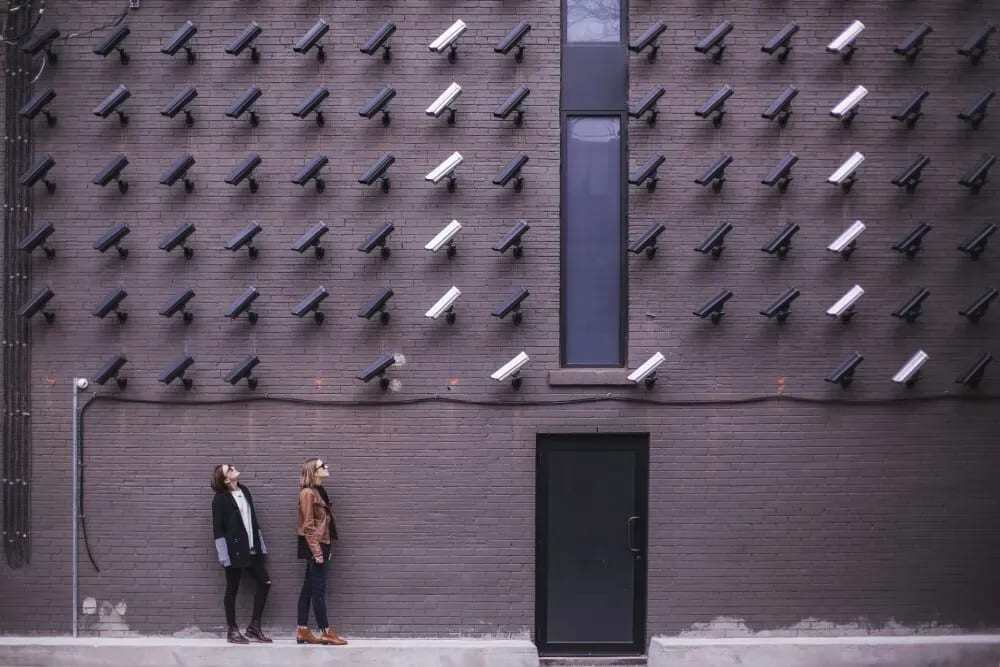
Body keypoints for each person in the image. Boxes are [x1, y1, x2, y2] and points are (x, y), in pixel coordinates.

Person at [211, 463, 272, 644]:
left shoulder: (245, 490)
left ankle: (254, 627)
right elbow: (218, 529)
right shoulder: (220, 499)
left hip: (252, 550)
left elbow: (253, 519)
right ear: (225, 479)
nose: (233, 468)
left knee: (265, 582)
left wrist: (260, 545)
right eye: (229, 469)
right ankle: (232, 630)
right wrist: (224, 556)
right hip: (234, 551)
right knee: (232, 589)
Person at [295, 458, 347, 646]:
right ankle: (325, 631)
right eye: (322, 466)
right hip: (314, 545)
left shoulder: (319, 491)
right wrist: (317, 552)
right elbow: (308, 526)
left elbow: (325, 523)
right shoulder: (308, 493)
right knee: (318, 590)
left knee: (309, 588)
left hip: (321, 544)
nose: (327, 466)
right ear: (314, 471)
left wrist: (327, 547)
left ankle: (302, 629)